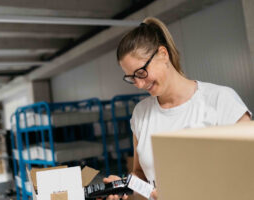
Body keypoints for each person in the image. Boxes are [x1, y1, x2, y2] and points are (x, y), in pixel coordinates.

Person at [102, 17, 252, 200]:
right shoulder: (141, 113)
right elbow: (140, 173)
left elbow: (247, 175)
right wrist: (125, 189)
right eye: (132, 78)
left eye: (141, 73)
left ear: (163, 54)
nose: (139, 84)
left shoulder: (221, 101)